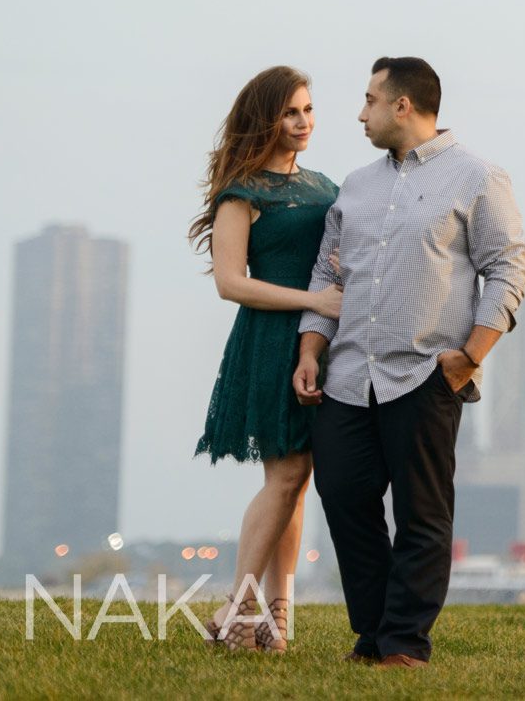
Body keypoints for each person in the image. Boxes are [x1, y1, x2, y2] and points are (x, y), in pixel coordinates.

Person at [293, 56, 525, 668]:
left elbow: (506, 269)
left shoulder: (478, 177)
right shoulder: (356, 185)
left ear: (403, 105)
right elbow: (327, 270)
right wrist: (311, 346)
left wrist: (468, 358)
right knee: (344, 497)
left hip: (426, 375)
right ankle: (373, 633)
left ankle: (403, 644)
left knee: (423, 515)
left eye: (370, 99)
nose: (360, 112)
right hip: (347, 376)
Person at [190, 65, 343, 652]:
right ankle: (237, 609)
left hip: (319, 339)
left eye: (308, 109)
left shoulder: (327, 187)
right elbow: (230, 283)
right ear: (265, 119)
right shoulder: (242, 192)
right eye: (290, 112)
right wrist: (314, 300)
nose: (303, 122)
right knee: (284, 476)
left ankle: (277, 626)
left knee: (295, 482)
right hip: (270, 340)